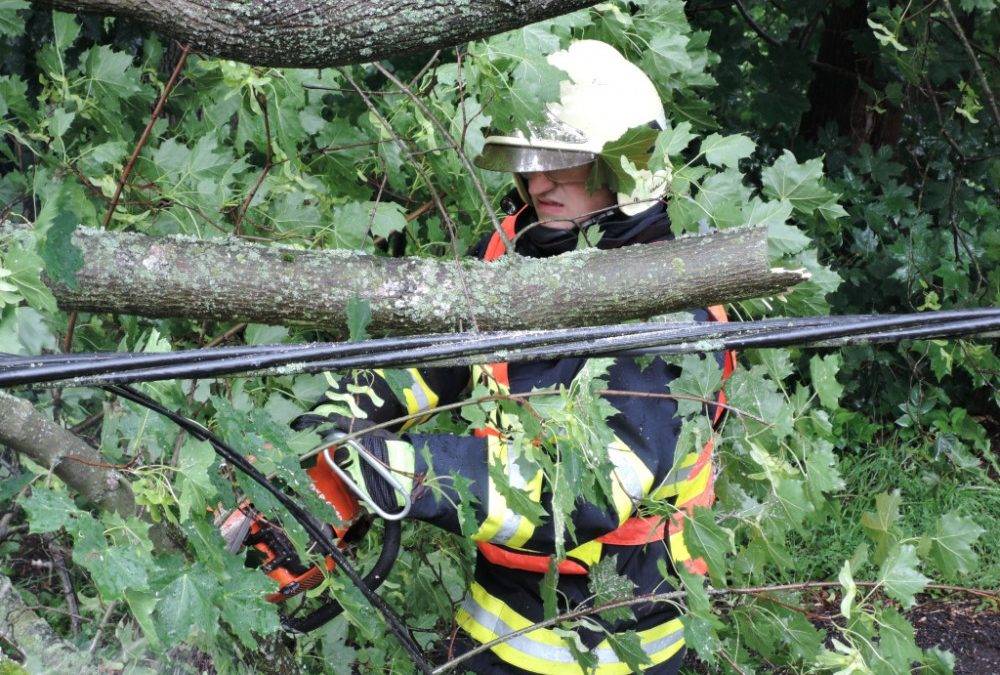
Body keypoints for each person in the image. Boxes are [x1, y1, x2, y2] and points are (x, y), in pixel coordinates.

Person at [294, 40, 735, 674]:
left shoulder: (673, 319)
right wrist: (339, 424)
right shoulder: (510, 257)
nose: (538, 181)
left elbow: (575, 495)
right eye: (530, 162)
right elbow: (430, 364)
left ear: (626, 168)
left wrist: (398, 472)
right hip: (492, 629)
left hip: (615, 646)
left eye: (563, 162)